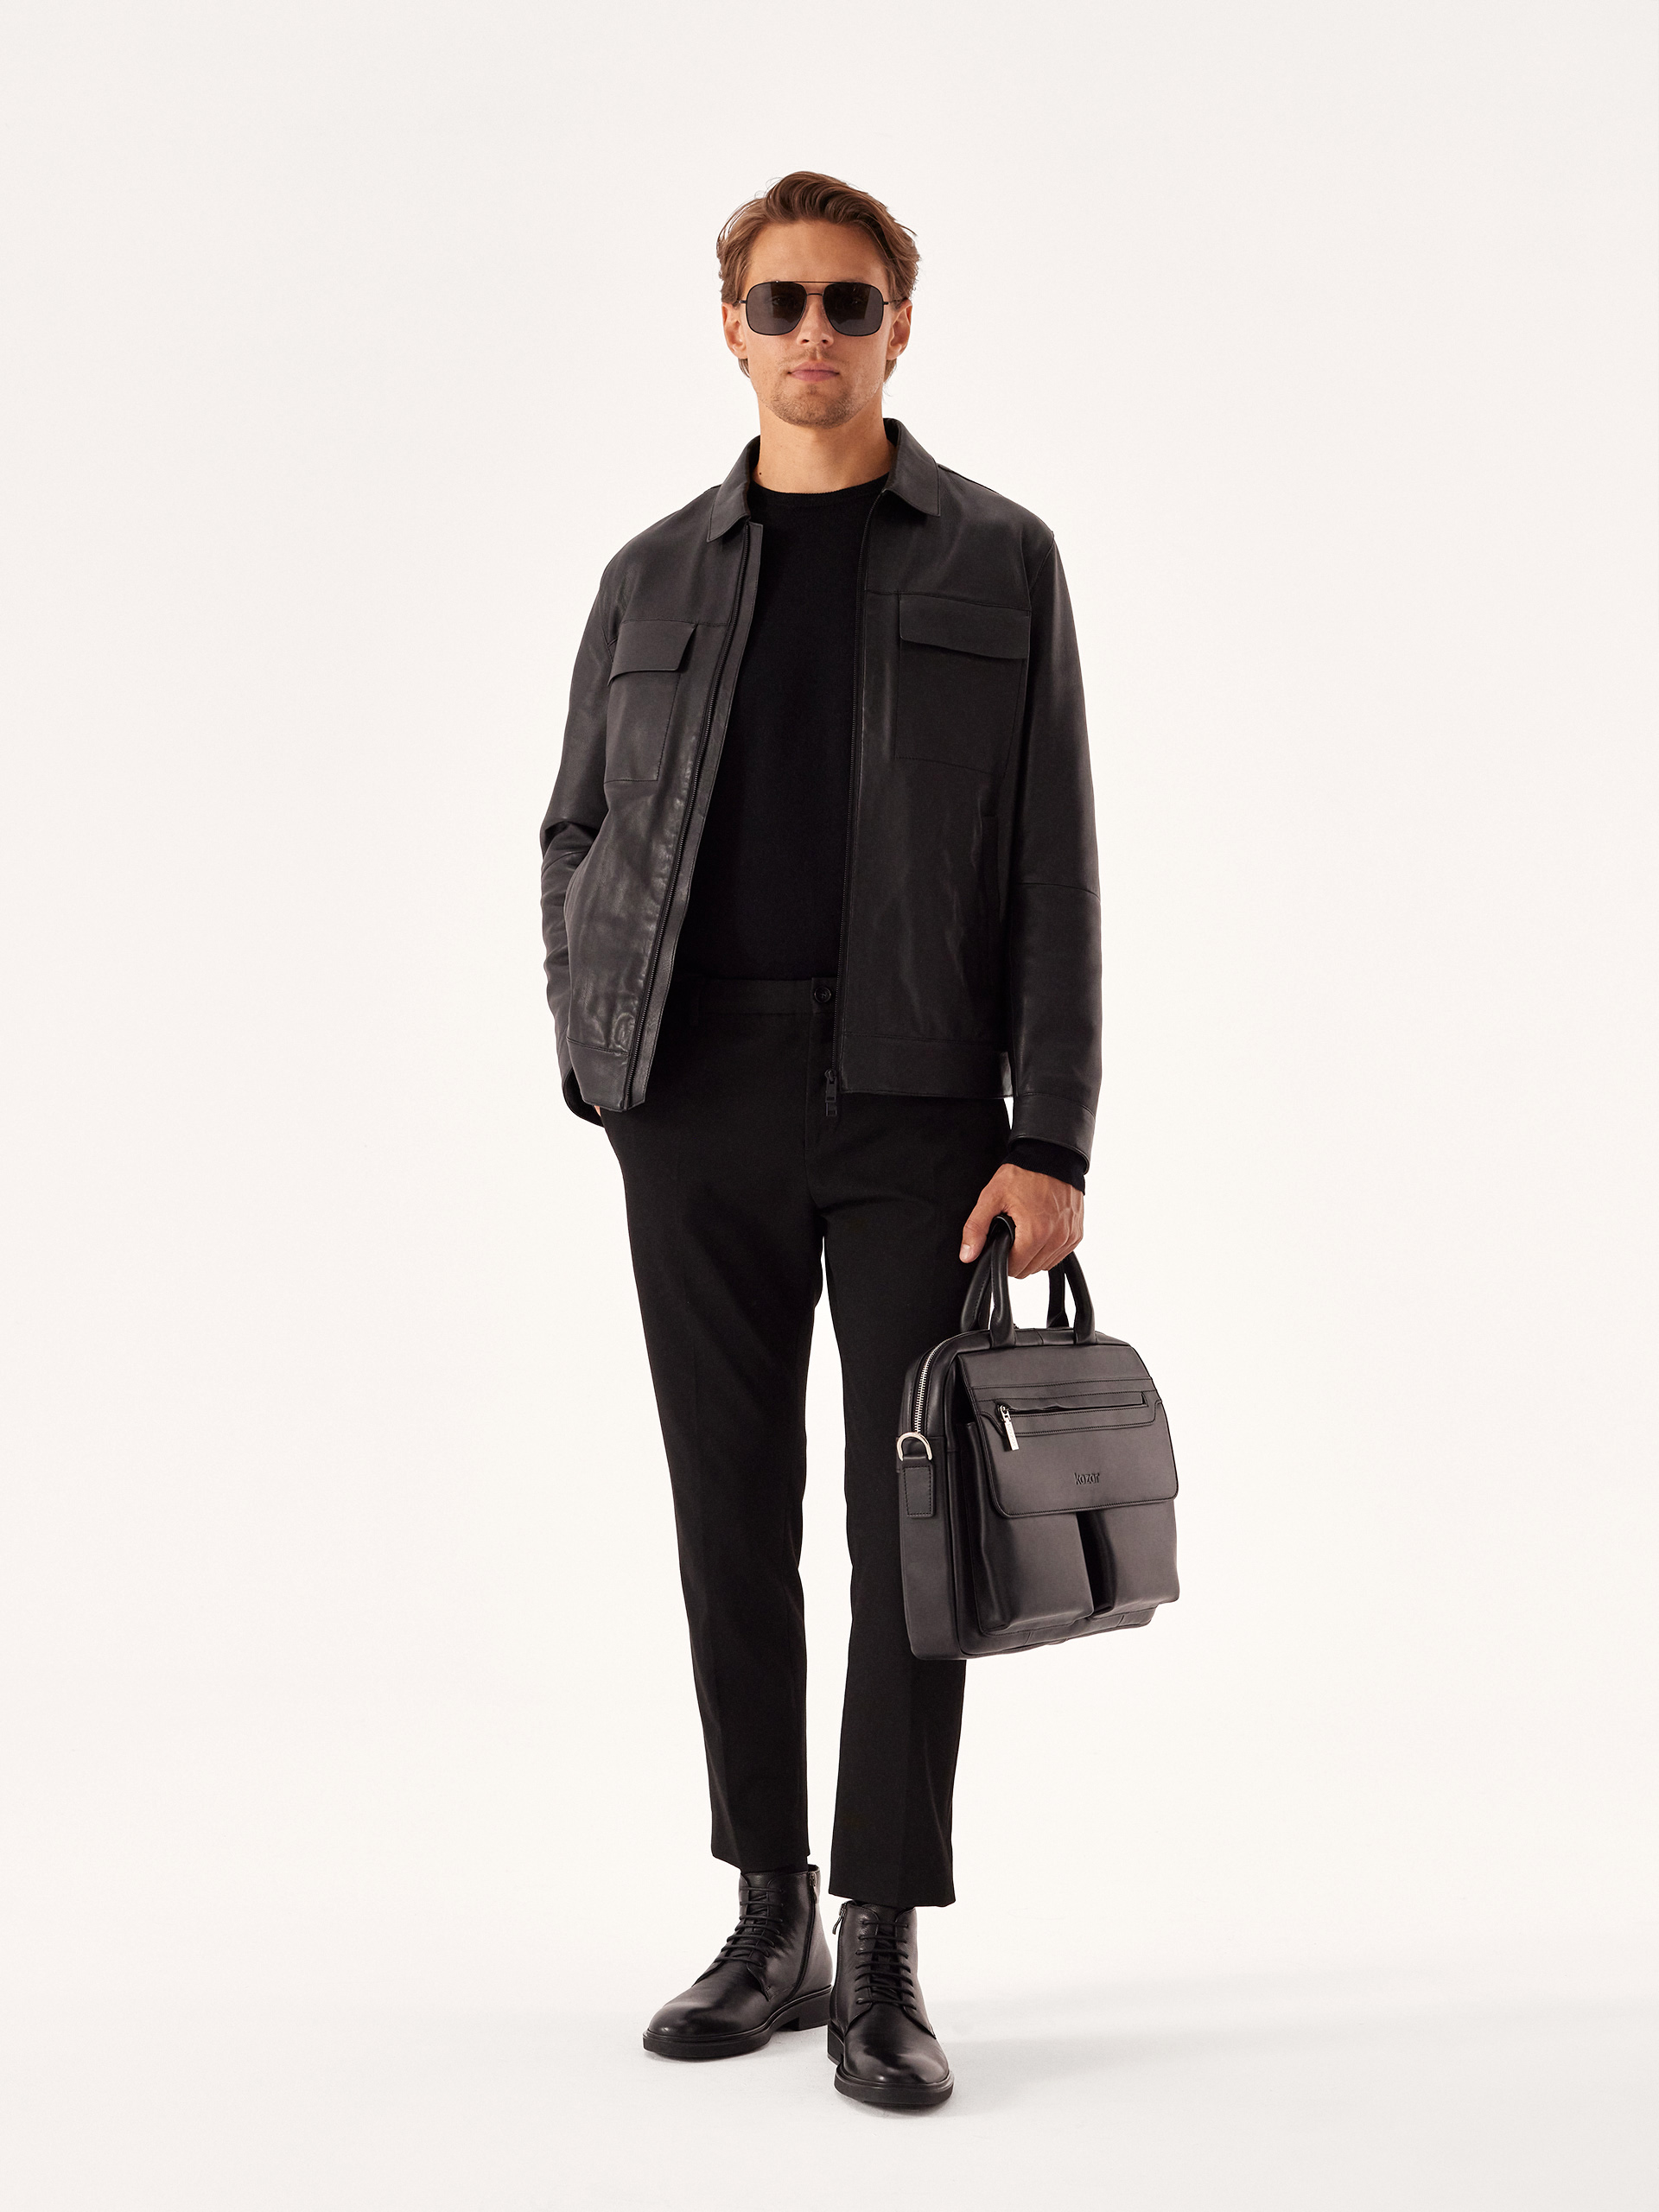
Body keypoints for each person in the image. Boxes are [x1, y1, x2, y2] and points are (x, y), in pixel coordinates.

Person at [538, 171, 1101, 2109]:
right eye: (778, 302)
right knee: (727, 1513)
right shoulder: (652, 574)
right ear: (731, 327)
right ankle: (764, 1912)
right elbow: (576, 828)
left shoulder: (998, 561)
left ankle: (881, 1940)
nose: (813, 334)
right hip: (692, 1097)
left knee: (909, 1530)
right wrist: (598, 1050)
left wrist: (1053, 1131)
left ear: (898, 327)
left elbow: (1053, 858)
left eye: (848, 303)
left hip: (917, 1107)